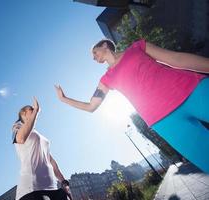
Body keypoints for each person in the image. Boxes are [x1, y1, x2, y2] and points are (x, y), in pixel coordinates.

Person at [55, 39, 209, 173]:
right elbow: (91, 106)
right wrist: (64, 99)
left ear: (104, 45)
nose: (94, 58)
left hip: (192, 90)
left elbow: (174, 58)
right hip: (164, 120)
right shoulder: (106, 79)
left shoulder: (137, 47)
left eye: (94, 52)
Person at [12, 97, 72, 200]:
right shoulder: (18, 127)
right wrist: (36, 111)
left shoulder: (39, 136)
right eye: (31, 110)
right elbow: (21, 138)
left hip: (53, 187)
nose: (34, 111)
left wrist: (64, 182)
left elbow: (51, 162)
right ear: (23, 114)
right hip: (32, 188)